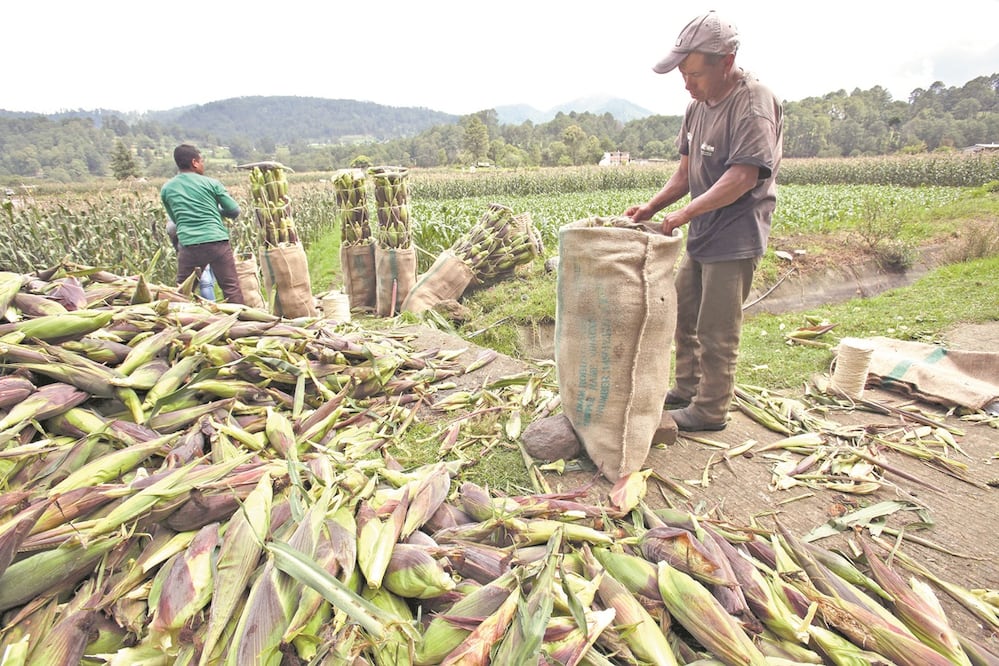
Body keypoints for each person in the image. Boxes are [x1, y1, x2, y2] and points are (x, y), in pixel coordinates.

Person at [625, 10, 783, 432]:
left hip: (736, 234)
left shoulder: (752, 102)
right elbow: (684, 174)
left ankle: (711, 411)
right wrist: (652, 208)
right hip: (703, 231)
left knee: (717, 329)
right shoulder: (697, 108)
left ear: (726, 63)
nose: (687, 84)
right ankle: (688, 388)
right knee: (684, 311)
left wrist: (684, 214)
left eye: (694, 74)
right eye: (683, 74)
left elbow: (742, 176)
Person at [160, 144, 245, 304]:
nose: (203, 164)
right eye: (202, 161)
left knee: (182, 292)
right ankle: (243, 323)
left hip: (189, 245)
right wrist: (217, 211)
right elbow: (234, 210)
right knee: (231, 288)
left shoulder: (167, 188)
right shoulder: (211, 184)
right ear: (194, 162)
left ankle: (179, 323)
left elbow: (176, 220)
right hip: (216, 242)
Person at [165, 218, 217, 300]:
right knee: (207, 281)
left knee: (205, 282)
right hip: (213, 240)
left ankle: (211, 306)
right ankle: (212, 304)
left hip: (194, 246)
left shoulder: (180, 213)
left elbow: (171, 228)